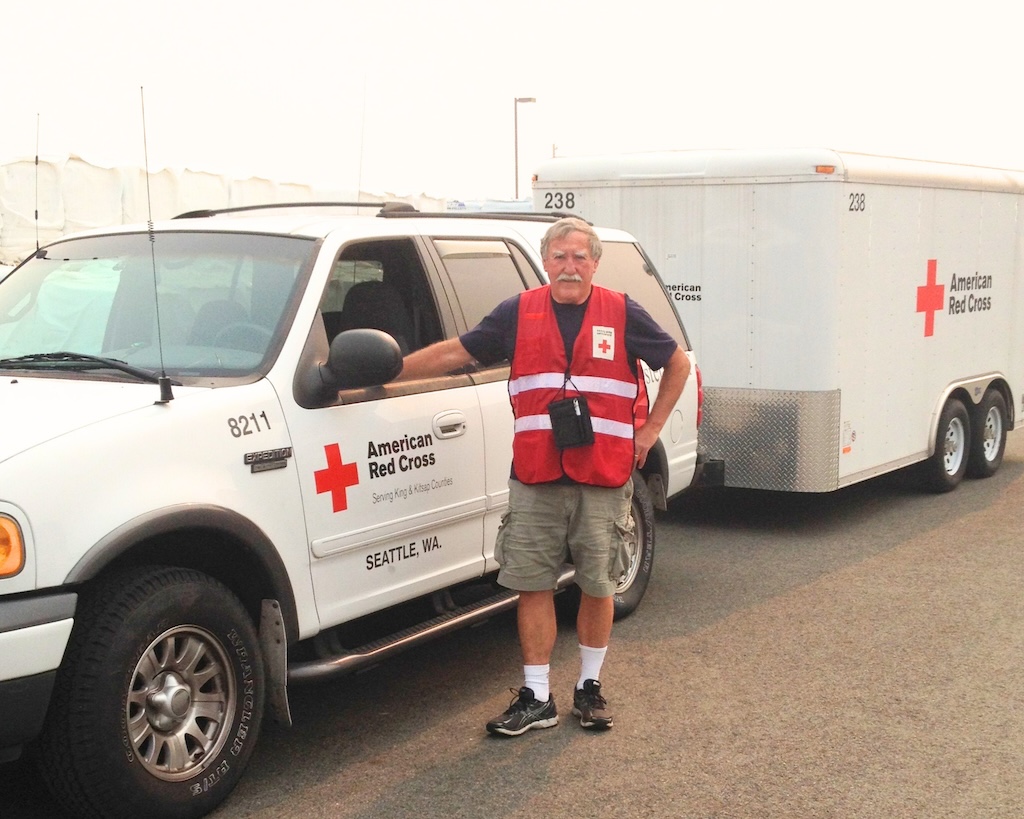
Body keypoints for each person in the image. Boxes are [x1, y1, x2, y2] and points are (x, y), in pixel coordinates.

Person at [398, 217, 689, 734]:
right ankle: (536, 697)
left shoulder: (622, 311)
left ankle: (589, 688)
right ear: (546, 261)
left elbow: (677, 364)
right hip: (535, 474)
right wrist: (388, 372)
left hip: (602, 474)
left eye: (580, 256)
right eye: (559, 256)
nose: (569, 266)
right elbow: (457, 352)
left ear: (595, 263)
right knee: (531, 584)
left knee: (598, 585)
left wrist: (649, 430)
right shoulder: (519, 311)